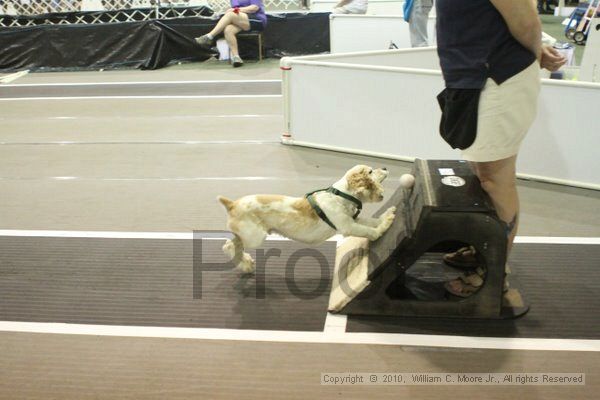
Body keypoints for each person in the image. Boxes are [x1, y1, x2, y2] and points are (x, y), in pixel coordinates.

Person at [435, 0, 567, 296]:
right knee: (482, 173)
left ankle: (494, 270)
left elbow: (525, 20)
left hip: (498, 77)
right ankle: (483, 247)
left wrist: (536, 52)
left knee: (495, 179)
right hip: (473, 75)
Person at [195, 0, 267, 68]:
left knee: (230, 14)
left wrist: (236, 10)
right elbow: (235, 9)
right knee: (228, 30)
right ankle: (236, 57)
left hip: (256, 19)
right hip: (241, 19)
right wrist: (234, 11)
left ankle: (210, 36)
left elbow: (254, 8)